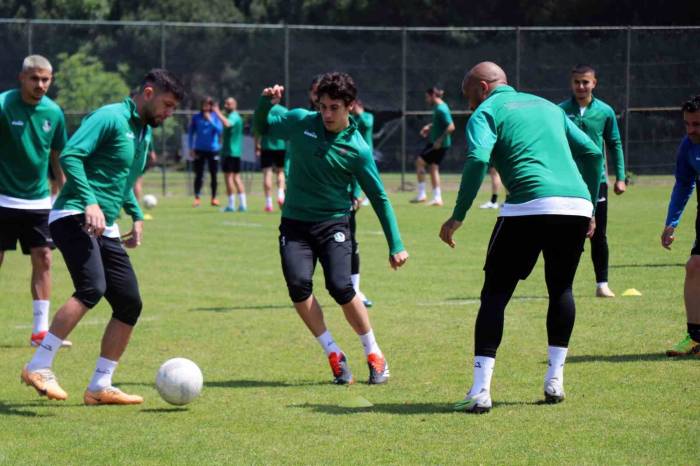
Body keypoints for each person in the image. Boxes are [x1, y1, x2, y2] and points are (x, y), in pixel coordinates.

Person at [439, 62, 602, 413]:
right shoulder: (548, 107)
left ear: (483, 87)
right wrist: (588, 205)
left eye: (467, 95)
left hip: (527, 207)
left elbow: (477, 158)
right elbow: (592, 152)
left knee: (495, 295)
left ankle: (481, 391)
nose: (467, 104)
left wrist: (458, 215)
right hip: (573, 207)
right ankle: (554, 381)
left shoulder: (486, 111)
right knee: (561, 289)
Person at [21, 69, 184, 404]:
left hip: (104, 224)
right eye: (167, 105)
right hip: (72, 214)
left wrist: (136, 215)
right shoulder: (110, 117)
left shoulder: (143, 133)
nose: (169, 113)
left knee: (129, 303)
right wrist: (90, 201)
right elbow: (70, 156)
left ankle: (100, 386)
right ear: (148, 92)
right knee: (91, 287)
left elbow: (122, 180)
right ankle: (38, 365)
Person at [253, 72, 408, 385]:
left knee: (341, 287)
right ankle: (333, 352)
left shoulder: (358, 150)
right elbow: (261, 127)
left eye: (334, 107)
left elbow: (378, 196)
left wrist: (396, 244)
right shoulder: (301, 121)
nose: (326, 114)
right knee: (298, 286)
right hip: (295, 224)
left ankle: (374, 353)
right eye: (322, 106)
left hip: (334, 223)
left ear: (349, 106)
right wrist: (264, 104)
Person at [0, 55, 72, 348]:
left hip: (39, 202)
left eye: (46, 79)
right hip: (2, 199)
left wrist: (68, 198)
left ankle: (40, 331)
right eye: (35, 79)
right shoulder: (3, 105)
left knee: (44, 258)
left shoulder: (54, 113)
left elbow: (58, 158)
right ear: (22, 78)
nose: (41, 84)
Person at [559, 64, 626, 298]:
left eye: (585, 82)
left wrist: (621, 176)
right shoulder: (560, 111)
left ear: (594, 83)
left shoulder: (605, 112)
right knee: (568, 235)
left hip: (597, 182)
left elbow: (615, 143)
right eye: (577, 81)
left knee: (599, 234)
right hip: (568, 182)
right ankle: (563, 284)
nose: (581, 86)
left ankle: (602, 284)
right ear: (571, 83)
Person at [661, 95, 700, 357]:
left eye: (697, 124)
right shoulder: (688, 146)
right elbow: (684, 185)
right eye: (687, 124)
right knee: (694, 267)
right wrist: (671, 223)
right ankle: (695, 337)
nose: (691, 130)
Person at [349, 100, 375, 306]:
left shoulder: (365, 118)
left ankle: (355, 289)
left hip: (353, 186)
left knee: (351, 242)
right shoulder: (346, 122)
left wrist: (356, 193)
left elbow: (366, 123)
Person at [412, 86, 455, 206]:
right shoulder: (438, 107)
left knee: (419, 162)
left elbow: (451, 126)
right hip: (436, 143)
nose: (426, 100)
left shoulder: (441, 108)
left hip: (438, 144)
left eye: (427, 97)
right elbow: (439, 123)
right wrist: (429, 127)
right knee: (433, 168)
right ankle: (437, 197)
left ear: (433, 95)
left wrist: (439, 141)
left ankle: (422, 194)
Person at [188, 96, 227, 207]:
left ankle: (214, 198)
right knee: (199, 175)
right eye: (204, 104)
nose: (206, 106)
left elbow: (220, 130)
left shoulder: (215, 117)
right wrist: (191, 148)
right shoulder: (196, 118)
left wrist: (210, 120)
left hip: (213, 150)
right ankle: (197, 198)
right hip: (199, 150)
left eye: (208, 104)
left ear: (211, 106)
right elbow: (191, 133)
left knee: (214, 175)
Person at [255, 96, 287, 212]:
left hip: (267, 146)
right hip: (281, 145)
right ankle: (280, 196)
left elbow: (257, 129)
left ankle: (269, 203)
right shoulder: (284, 110)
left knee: (267, 173)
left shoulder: (263, 110)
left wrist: (257, 145)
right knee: (280, 172)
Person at [221, 97, 247, 212]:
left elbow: (227, 124)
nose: (226, 106)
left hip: (230, 151)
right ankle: (243, 204)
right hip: (235, 152)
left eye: (228, 104)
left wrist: (216, 112)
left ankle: (231, 205)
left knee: (229, 178)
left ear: (234, 105)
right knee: (236, 177)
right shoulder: (237, 117)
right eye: (225, 103)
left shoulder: (233, 116)